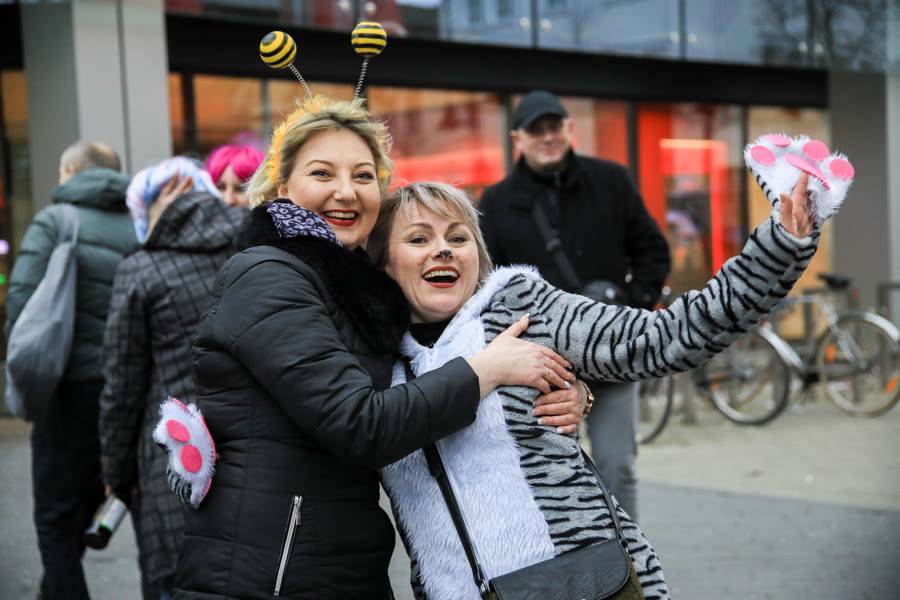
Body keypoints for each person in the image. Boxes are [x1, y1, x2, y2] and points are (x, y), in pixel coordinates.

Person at [172, 97, 579, 600]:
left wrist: (556, 387)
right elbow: (360, 422)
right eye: (323, 173)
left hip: (334, 562)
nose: (345, 191)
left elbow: (428, 367)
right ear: (283, 188)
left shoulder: (358, 289)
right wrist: (486, 370)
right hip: (271, 573)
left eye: (363, 175)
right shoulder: (269, 275)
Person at [366, 170, 820, 599]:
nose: (443, 250)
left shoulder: (521, 308)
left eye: (458, 237)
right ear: (384, 263)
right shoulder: (371, 362)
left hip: (582, 583)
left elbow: (663, 338)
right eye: (419, 238)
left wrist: (778, 248)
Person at [478, 90, 671, 520]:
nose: (547, 137)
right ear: (517, 139)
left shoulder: (611, 181)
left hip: (611, 350)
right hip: (541, 364)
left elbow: (653, 252)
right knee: (550, 476)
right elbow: (488, 284)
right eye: (536, 130)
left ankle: (627, 558)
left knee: (618, 467)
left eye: (554, 127)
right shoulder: (496, 202)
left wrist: (630, 312)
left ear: (569, 130)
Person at [98, 157, 244, 600]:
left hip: (173, 465)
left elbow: (121, 388)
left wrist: (116, 474)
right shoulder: (250, 253)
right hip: (251, 456)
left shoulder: (141, 269)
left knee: (176, 580)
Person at [5, 140, 138, 600]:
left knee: (57, 520)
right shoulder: (141, 224)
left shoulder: (55, 220)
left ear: (71, 171)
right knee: (101, 503)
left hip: (67, 391)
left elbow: (21, 306)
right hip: (126, 392)